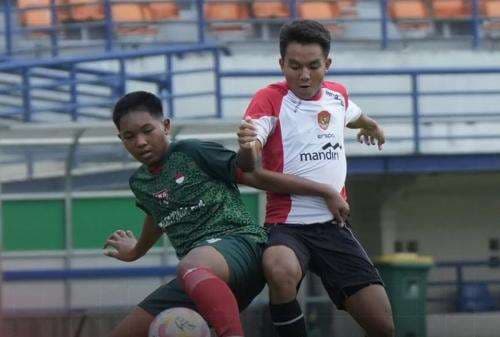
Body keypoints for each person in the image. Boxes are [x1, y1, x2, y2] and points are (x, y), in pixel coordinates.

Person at [105, 91, 349, 337]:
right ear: (121, 139)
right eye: (129, 136)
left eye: (147, 130)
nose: (140, 142)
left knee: (191, 266)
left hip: (241, 245)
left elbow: (256, 176)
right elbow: (157, 215)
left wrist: (323, 191)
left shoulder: (192, 151)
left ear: (166, 126)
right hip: (201, 278)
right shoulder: (140, 182)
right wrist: (136, 251)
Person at [237, 20, 395, 337]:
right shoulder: (268, 100)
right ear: (281, 63)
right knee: (279, 268)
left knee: (383, 326)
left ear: (327, 64)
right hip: (287, 226)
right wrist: (247, 147)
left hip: (334, 227)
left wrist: (372, 125)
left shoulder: (337, 95)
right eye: (294, 66)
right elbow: (249, 164)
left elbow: (353, 115)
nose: (304, 75)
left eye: (313, 66)